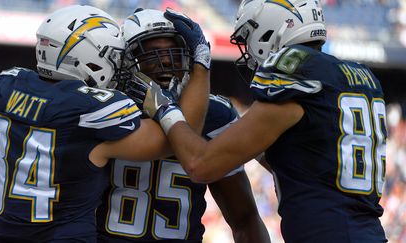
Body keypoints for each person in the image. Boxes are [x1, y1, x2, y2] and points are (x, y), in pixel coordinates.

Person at [136, 2, 388, 243]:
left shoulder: (297, 70)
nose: (247, 51)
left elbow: (199, 165)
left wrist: (165, 109)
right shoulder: (358, 75)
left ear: (270, 30)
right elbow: (302, 161)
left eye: (248, 37)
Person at [0, 4, 210, 242]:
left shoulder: (3, 85)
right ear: (89, 57)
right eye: (114, 57)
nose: (119, 67)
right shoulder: (92, 109)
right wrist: (174, 96)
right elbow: (177, 140)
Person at [95, 8, 270, 243]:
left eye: (174, 53)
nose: (165, 61)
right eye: (153, 53)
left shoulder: (215, 115)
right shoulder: (105, 110)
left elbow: (244, 218)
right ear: (126, 60)